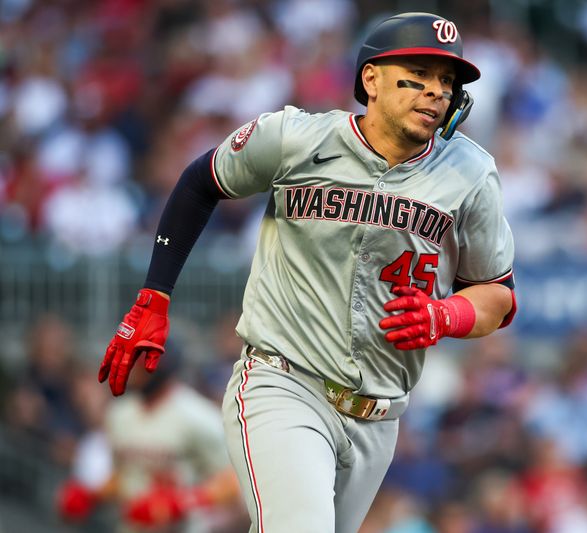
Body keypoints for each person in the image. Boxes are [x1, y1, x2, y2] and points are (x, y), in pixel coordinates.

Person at [98, 11, 516, 533]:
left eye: (447, 80)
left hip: (377, 417)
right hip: (283, 381)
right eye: (420, 72)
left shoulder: (470, 173)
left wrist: (446, 314)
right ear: (372, 79)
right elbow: (200, 181)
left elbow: (497, 297)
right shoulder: (295, 138)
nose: (437, 91)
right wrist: (154, 294)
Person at [61, 345, 242, 532]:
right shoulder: (119, 413)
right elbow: (125, 478)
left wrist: (180, 503)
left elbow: (233, 483)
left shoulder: (200, 416)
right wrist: (91, 494)